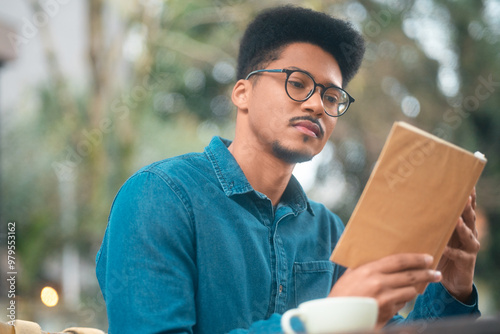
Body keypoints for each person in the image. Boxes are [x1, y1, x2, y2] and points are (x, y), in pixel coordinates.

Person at [95, 5, 480, 334]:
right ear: (242, 93)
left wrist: (453, 287)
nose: (317, 105)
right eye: (298, 83)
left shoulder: (329, 231)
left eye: (332, 96)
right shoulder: (158, 196)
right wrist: (324, 318)